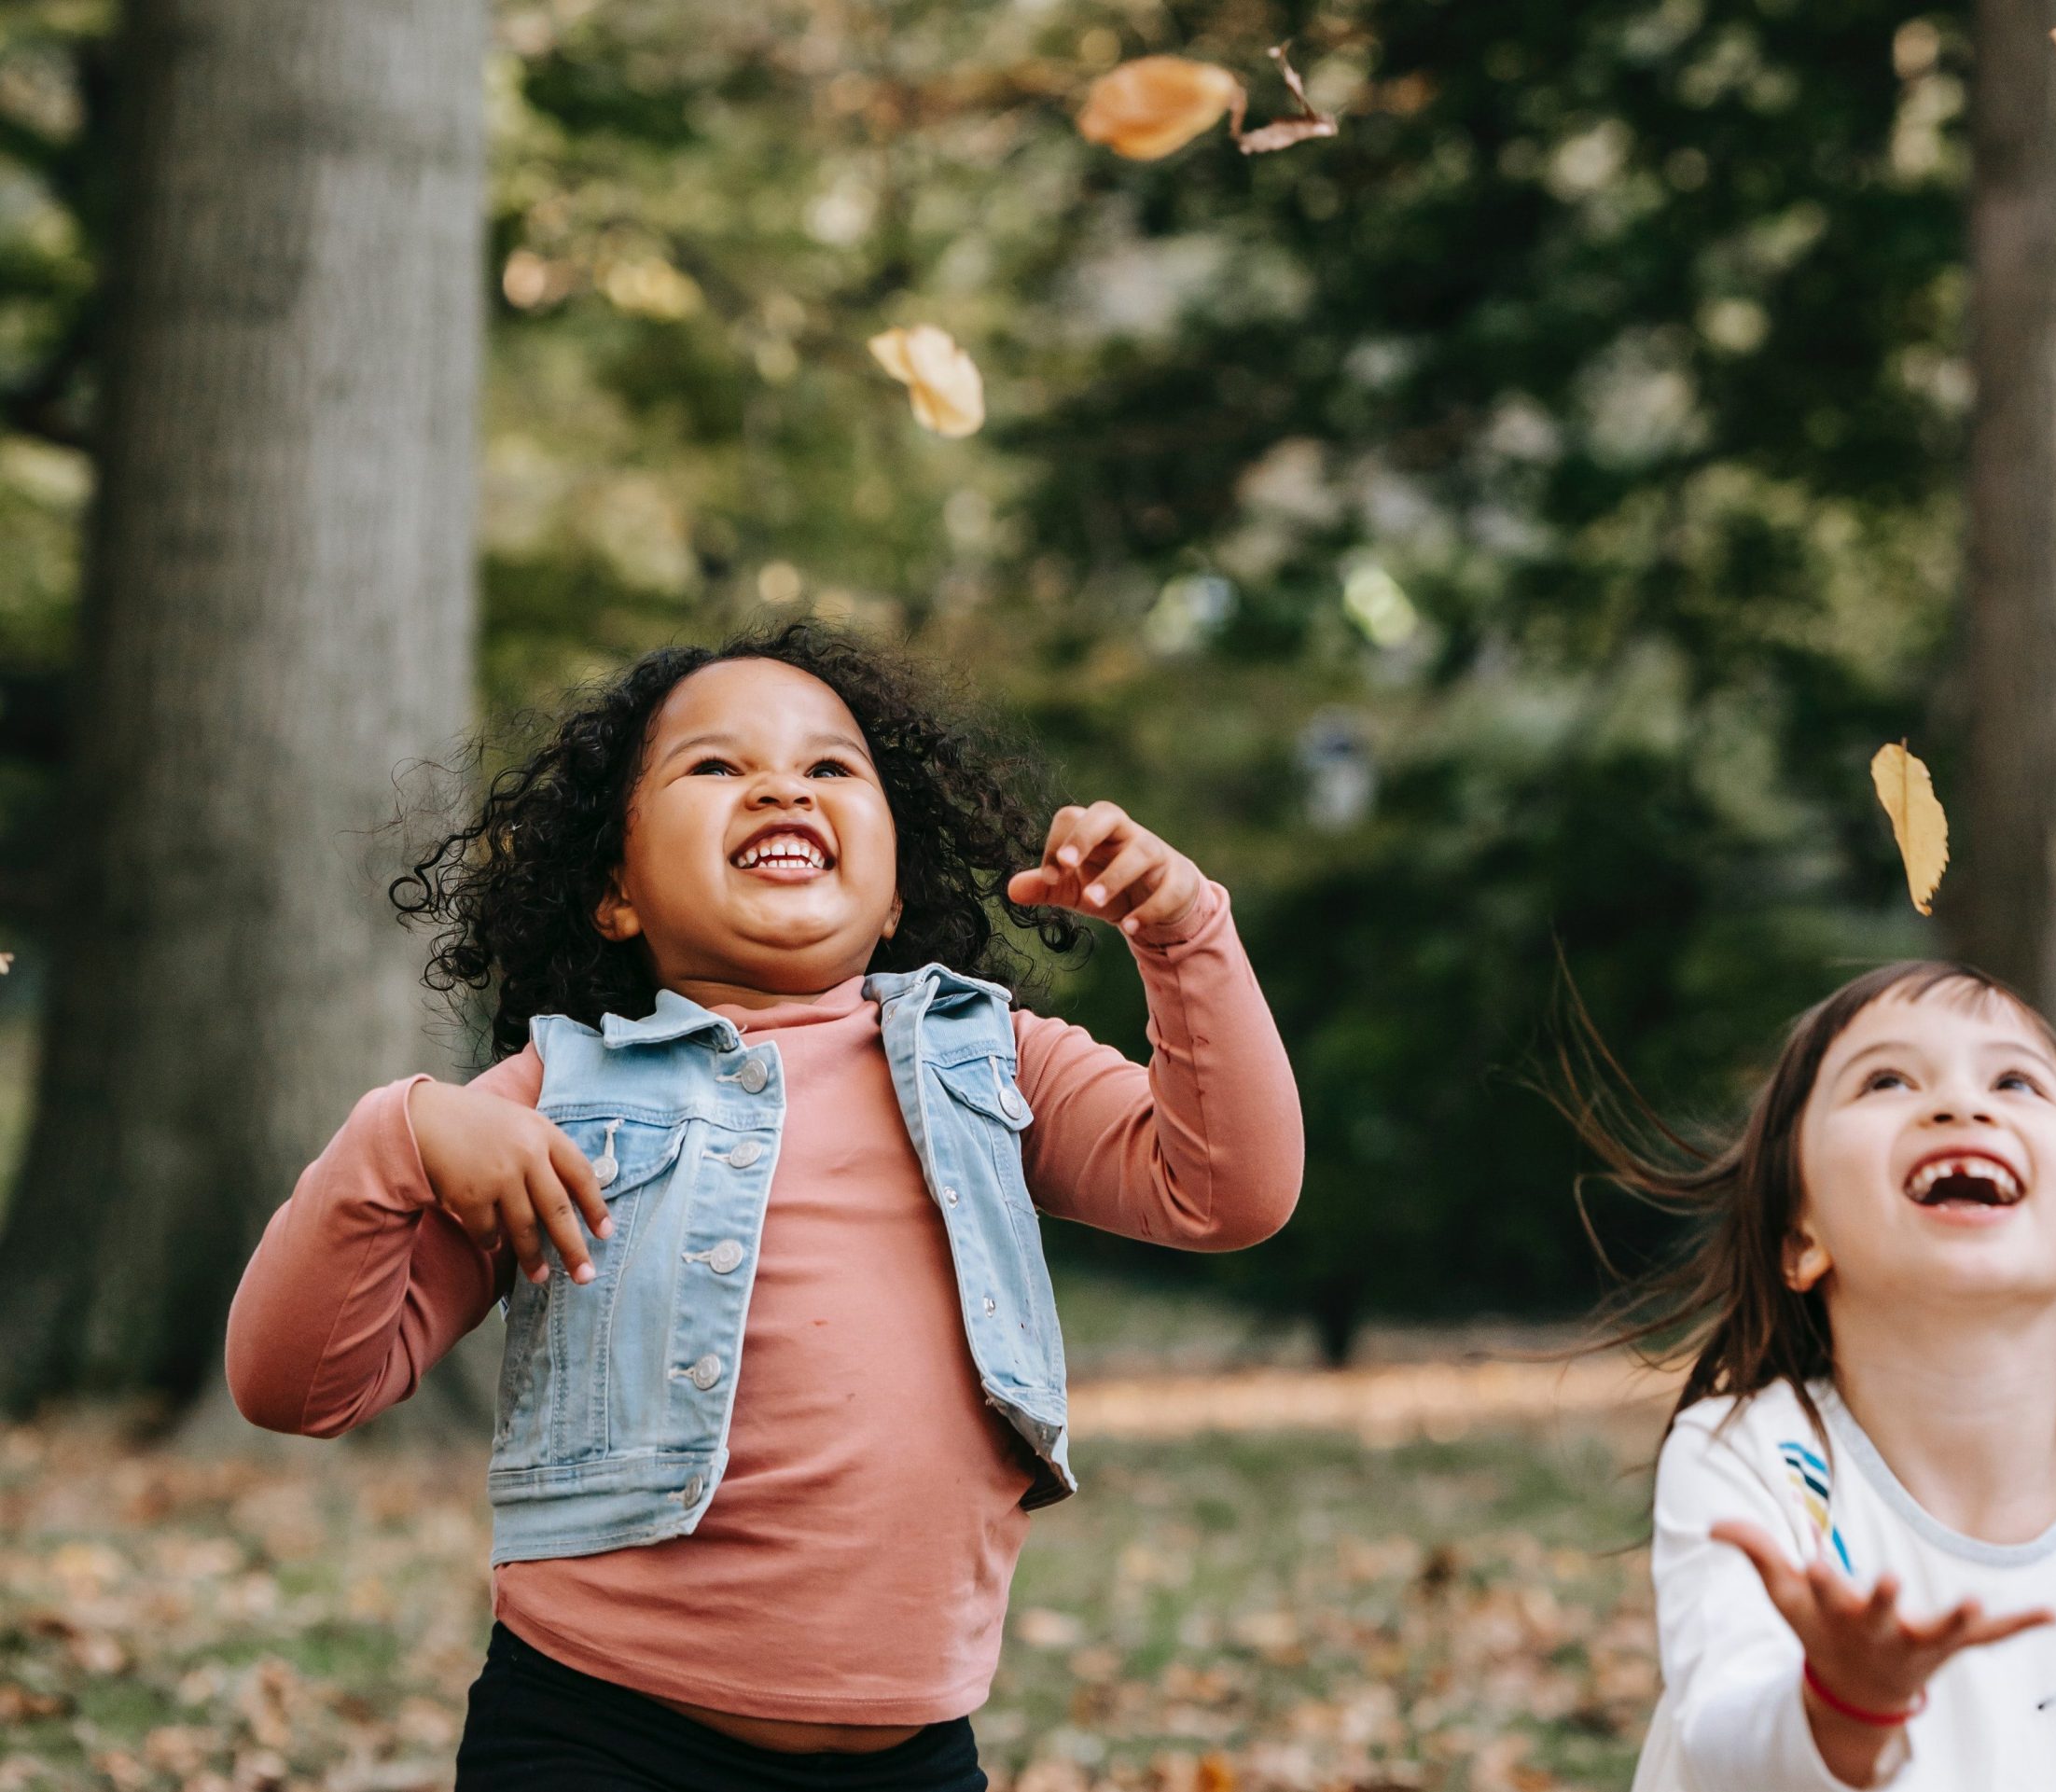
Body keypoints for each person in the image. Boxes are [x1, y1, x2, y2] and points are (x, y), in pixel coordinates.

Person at [224, 619, 1304, 1791]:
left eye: (831, 765)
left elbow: (1225, 1192)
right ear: (614, 894)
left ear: (894, 892)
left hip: (915, 1754)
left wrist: (1185, 931)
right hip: (600, 1732)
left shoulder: (990, 1059)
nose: (782, 782)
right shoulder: (551, 1100)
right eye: (715, 766)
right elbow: (299, 1386)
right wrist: (402, 1131)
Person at [1553, 961, 2056, 1790]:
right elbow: (1726, 1749)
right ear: (1801, 1238)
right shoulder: (1751, 1457)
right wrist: (1841, 1706)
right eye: (1887, 1079)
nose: (1960, 1104)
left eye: (2014, 1079)